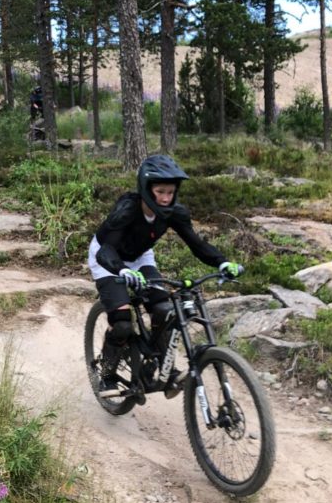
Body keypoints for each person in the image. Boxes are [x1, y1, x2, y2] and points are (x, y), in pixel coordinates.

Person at [87, 154, 243, 390]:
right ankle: (107, 372)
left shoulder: (173, 213)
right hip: (108, 259)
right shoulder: (128, 209)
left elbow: (196, 244)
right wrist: (122, 270)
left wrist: (221, 263)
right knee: (122, 323)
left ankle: (161, 362)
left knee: (164, 310)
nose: (165, 198)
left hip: (140, 258)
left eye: (170, 192)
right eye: (160, 191)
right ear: (147, 188)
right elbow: (106, 250)